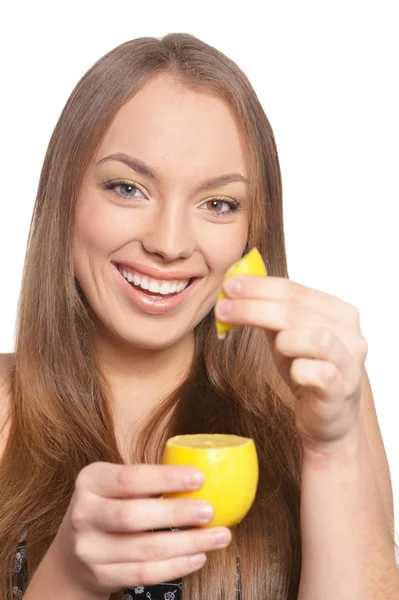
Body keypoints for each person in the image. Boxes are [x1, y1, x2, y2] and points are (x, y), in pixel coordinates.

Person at [0, 33, 398, 600]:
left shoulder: (321, 399)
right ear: (65, 199)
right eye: (127, 188)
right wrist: (70, 577)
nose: (168, 243)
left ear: (251, 231)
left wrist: (332, 450)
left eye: (218, 204)